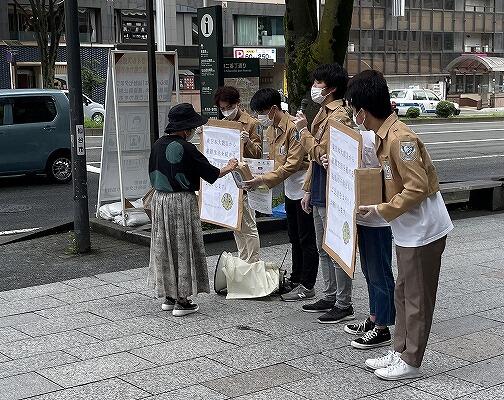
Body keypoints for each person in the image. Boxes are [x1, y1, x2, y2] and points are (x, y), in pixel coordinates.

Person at [346, 70, 453, 380]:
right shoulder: (386, 136)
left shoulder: (400, 138)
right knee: (403, 294)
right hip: (408, 229)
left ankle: (411, 360)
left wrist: (380, 210)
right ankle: (400, 348)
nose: (354, 116)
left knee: (417, 299)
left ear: (363, 111)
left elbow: (416, 188)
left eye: (354, 110)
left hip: (423, 231)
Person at [148, 103, 238, 317]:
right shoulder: (187, 148)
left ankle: (169, 296)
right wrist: (230, 166)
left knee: (164, 248)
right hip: (181, 201)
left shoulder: (157, 144)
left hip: (160, 200)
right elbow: (211, 173)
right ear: (186, 128)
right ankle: (182, 300)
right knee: (183, 246)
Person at [293, 63, 356, 323]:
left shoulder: (338, 115)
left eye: (318, 83)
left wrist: (303, 131)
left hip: (334, 191)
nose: (315, 87)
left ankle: (344, 302)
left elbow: (321, 153)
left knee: (336, 248)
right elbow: (314, 160)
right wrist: (307, 189)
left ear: (330, 87)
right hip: (319, 187)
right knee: (323, 248)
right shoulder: (322, 112)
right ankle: (329, 295)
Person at [243, 88, 318, 302]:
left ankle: (308, 284)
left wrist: (263, 180)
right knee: (294, 236)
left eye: (262, 112)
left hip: (303, 185)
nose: (260, 117)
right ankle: (296, 278)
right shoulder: (272, 129)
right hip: (288, 187)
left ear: (274, 109)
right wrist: (260, 176)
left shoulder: (294, 128)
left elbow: (292, 164)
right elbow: (275, 162)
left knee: (306, 238)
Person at [214, 86, 262, 263]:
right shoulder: (222, 123)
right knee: (236, 225)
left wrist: (248, 142)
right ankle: (243, 261)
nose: (225, 111)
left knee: (248, 225)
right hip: (229, 181)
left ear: (237, 104)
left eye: (228, 107)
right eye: (222, 108)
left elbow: (258, 154)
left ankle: (253, 264)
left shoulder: (251, 123)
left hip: (245, 180)